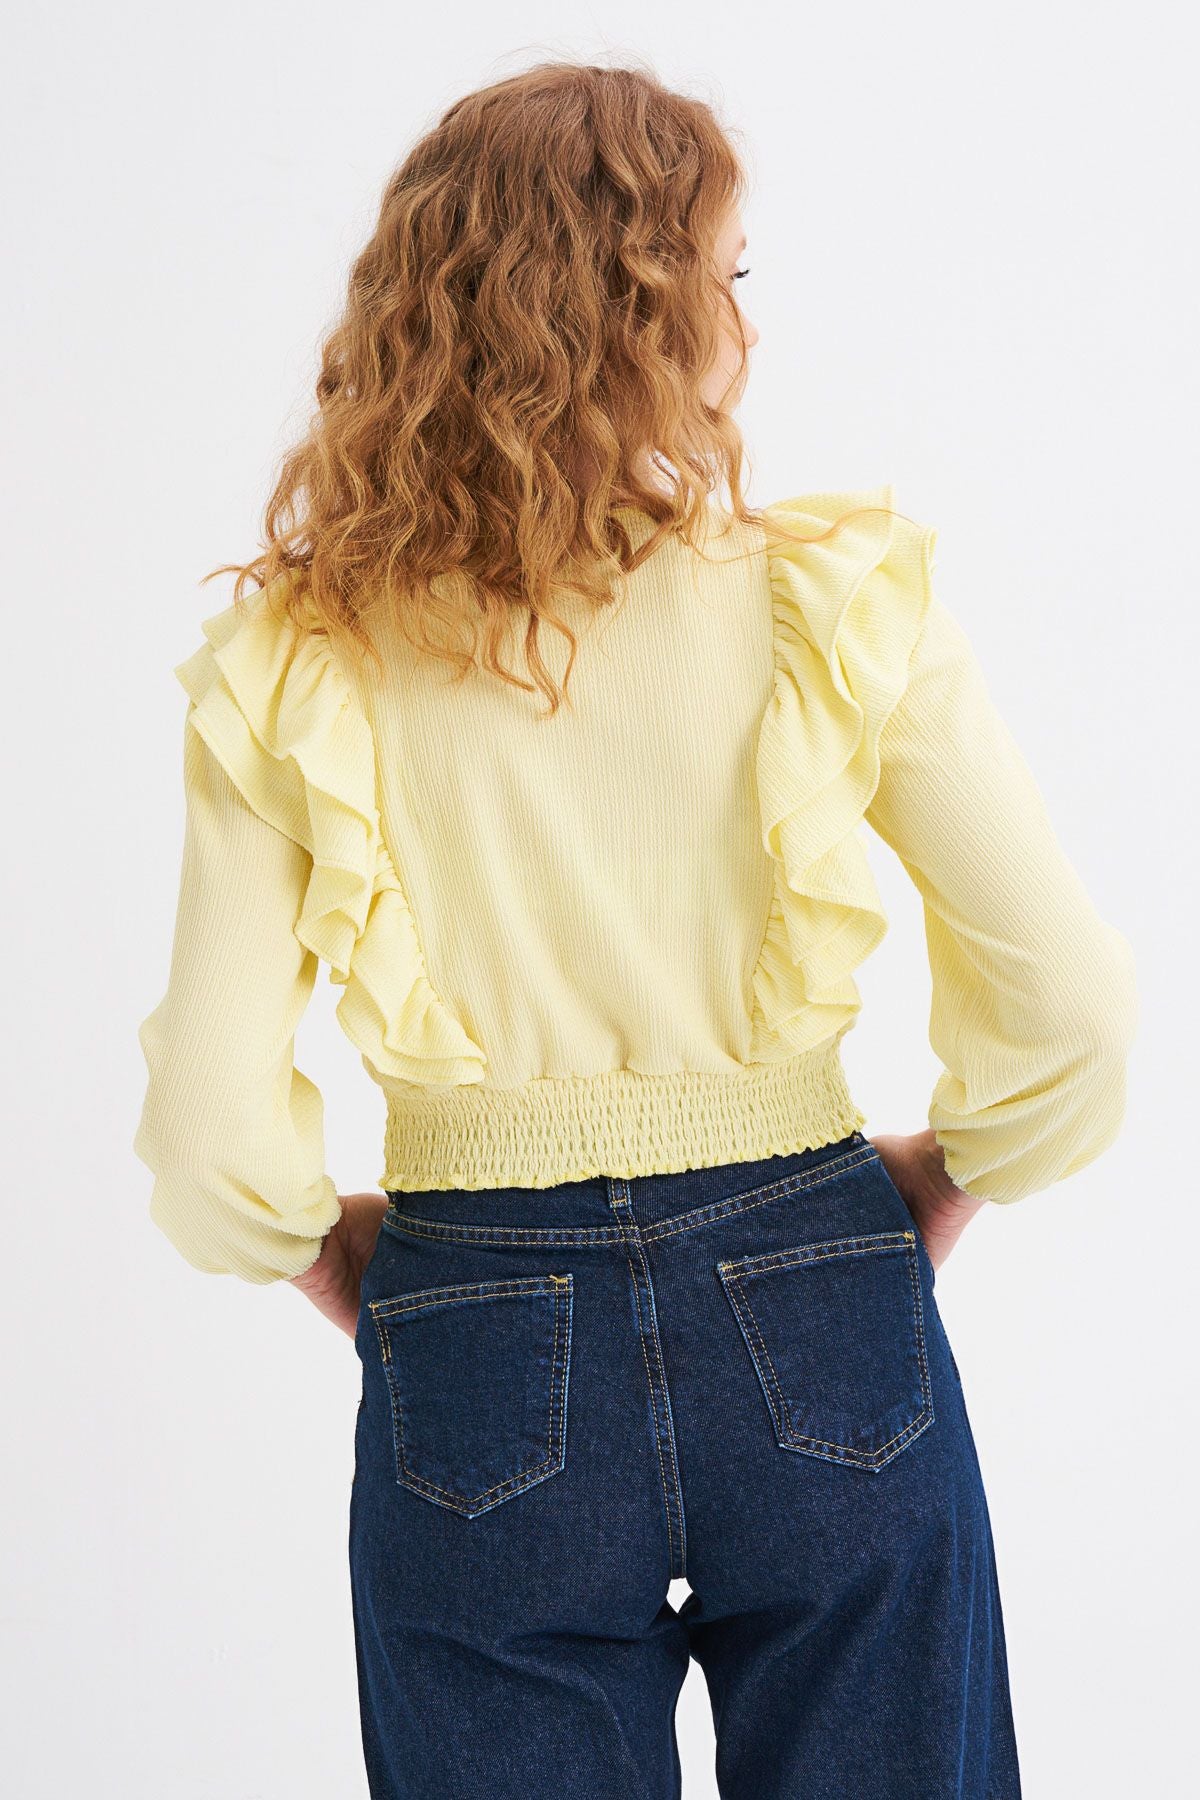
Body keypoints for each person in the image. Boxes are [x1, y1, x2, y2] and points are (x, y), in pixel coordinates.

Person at [132, 58, 1137, 1800]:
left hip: (473, 1316)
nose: (749, 322)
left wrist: (353, 1268)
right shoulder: (829, 600)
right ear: (641, 314)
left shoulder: (301, 661)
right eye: (724, 277)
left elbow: (211, 1133)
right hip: (820, 1284)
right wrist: (936, 1187)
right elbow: (1075, 1017)